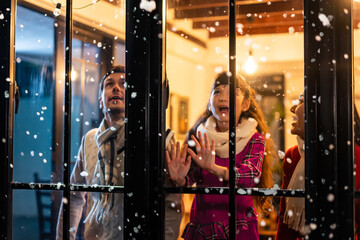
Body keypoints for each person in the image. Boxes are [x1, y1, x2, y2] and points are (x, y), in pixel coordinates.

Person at [56, 66, 182, 239]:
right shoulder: (89, 140)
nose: (116, 88)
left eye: (124, 84)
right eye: (109, 84)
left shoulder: (153, 139)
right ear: (101, 100)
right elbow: (74, 195)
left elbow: (170, 201)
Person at [166, 72, 275, 239]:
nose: (223, 98)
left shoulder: (255, 139)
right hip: (204, 224)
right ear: (210, 104)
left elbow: (250, 176)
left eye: (232, 93)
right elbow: (190, 177)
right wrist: (180, 178)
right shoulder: (200, 135)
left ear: (245, 104)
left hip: (239, 227)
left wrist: (213, 168)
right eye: (217, 92)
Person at [276, 93, 305, 240]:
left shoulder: (351, 155)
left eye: (301, 102)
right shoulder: (293, 155)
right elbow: (285, 218)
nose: (293, 108)